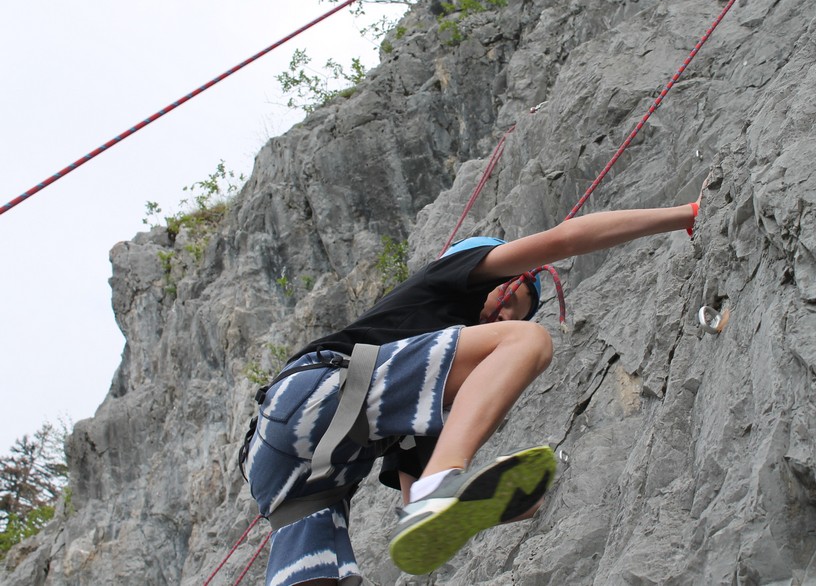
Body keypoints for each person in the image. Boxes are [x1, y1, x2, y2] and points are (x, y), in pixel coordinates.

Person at [242, 199, 701, 585]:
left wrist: (494, 507)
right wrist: (684, 214)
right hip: (314, 393)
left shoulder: (419, 394)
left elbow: (413, 507)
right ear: (494, 279)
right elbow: (564, 241)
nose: (499, 324)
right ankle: (446, 481)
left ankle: (444, 485)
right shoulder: (450, 277)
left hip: (296, 489)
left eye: (510, 318)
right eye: (507, 307)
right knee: (531, 342)